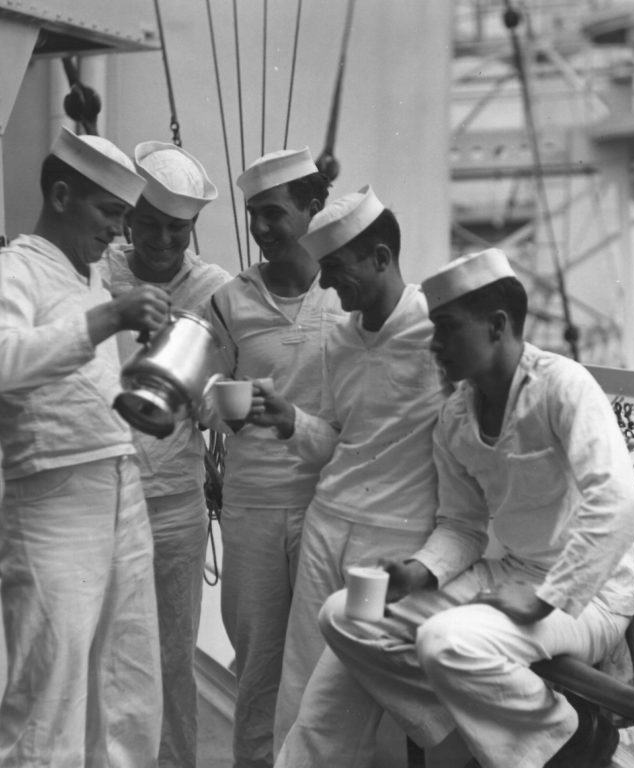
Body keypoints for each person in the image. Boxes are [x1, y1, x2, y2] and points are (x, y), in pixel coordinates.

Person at [275, 248, 634, 768]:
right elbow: (462, 525)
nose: (435, 345)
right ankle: (473, 740)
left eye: (447, 329)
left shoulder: (563, 387)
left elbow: (622, 502)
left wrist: (547, 596)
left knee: (445, 641)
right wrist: (419, 572)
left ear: (497, 326)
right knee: (347, 615)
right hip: (509, 573)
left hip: (587, 595)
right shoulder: (455, 414)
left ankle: (574, 743)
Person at [0, 128, 169, 767]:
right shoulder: (13, 269)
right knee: (50, 691)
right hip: (54, 503)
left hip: (120, 487)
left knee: (128, 680)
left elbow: (80, 390)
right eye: (109, 214)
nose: (118, 233)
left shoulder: (87, 276)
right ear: (61, 194)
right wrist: (109, 317)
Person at [244, 186, 448, 750]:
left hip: (389, 545)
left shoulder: (439, 335)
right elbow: (337, 439)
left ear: (381, 258)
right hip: (326, 526)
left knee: (364, 694)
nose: (327, 284)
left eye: (335, 267)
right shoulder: (340, 338)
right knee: (303, 681)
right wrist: (292, 422)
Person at [201, 147, 343, 768]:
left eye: (275, 214)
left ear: (314, 208)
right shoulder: (230, 300)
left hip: (330, 501)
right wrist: (221, 408)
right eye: (253, 215)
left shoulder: (345, 295)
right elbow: (202, 394)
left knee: (323, 660)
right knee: (258, 659)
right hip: (254, 505)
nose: (261, 230)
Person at [101, 141, 231, 768]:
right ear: (128, 217)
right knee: (104, 649)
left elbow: (225, 392)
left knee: (171, 657)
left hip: (175, 501)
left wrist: (210, 399)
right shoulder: (97, 272)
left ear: (192, 229)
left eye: (176, 229)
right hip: (99, 492)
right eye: (148, 223)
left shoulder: (214, 290)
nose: (160, 240)